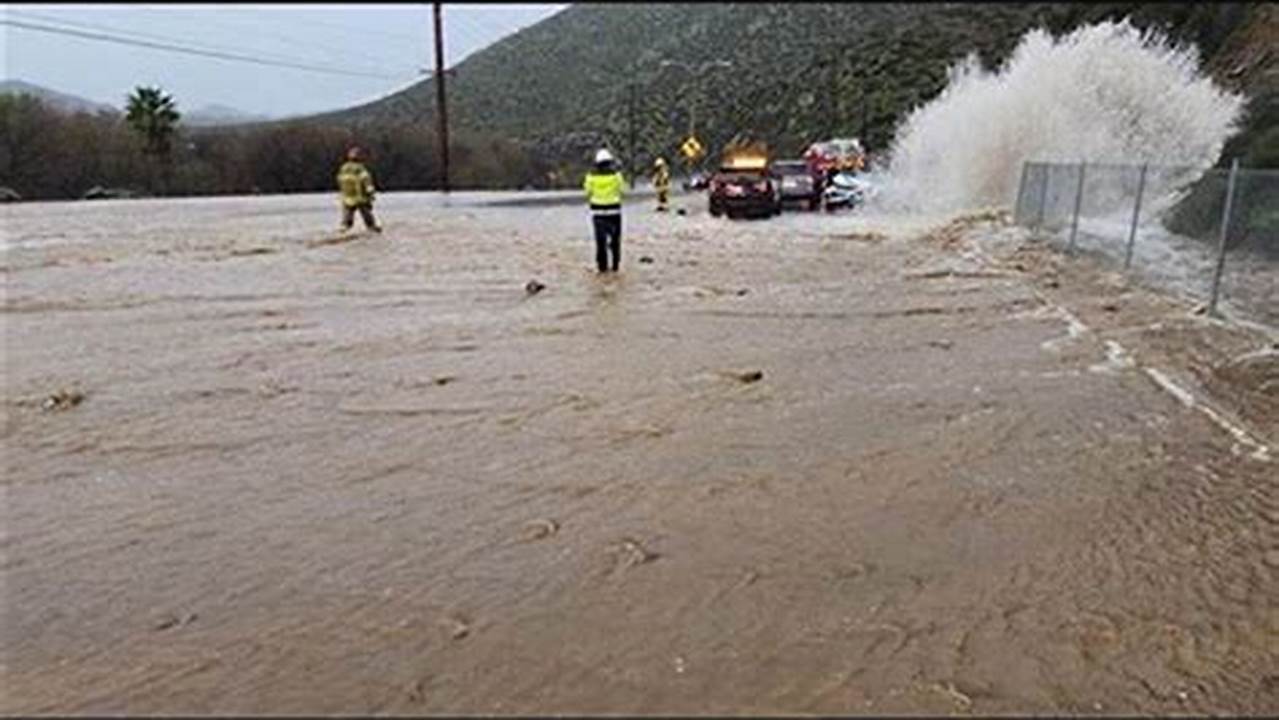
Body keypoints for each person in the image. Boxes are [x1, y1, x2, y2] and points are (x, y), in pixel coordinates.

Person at [582, 148, 625, 273]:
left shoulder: (591, 176)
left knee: (600, 242)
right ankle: (615, 266)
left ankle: (602, 267)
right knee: (615, 241)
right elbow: (623, 190)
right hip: (614, 212)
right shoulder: (616, 175)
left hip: (598, 213)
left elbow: (587, 192)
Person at [336, 146, 382, 233]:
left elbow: (339, 180)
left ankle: (344, 229)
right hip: (360, 197)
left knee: (347, 216)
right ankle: (372, 228)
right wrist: (371, 194)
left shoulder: (344, 168)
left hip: (347, 197)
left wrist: (343, 193)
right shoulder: (360, 169)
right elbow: (367, 181)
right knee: (367, 214)